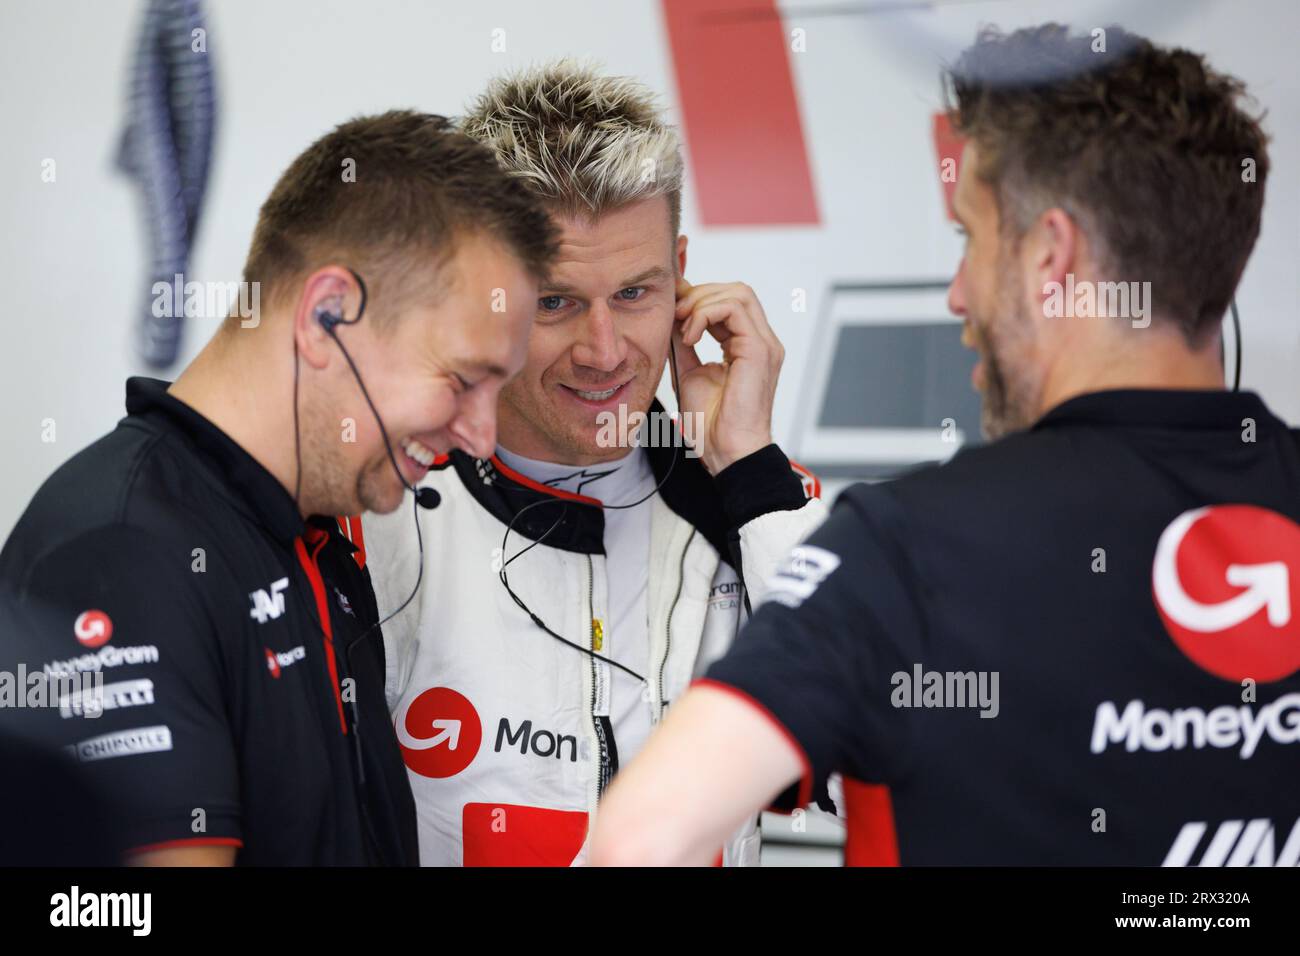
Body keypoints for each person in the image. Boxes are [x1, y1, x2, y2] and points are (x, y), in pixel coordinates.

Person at [590, 24, 1300, 867]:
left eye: (971, 238)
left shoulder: (914, 551)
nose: (960, 294)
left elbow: (640, 837)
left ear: (1050, 255)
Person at [0, 111, 557, 865]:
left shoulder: (314, 538)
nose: (481, 435)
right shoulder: (121, 553)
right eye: (462, 381)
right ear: (326, 316)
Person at [360, 62, 826, 866]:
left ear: (682, 272)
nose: (604, 352)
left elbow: (895, 758)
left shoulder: (758, 511)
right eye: (556, 302)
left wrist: (746, 467)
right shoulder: (379, 519)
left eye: (638, 294)